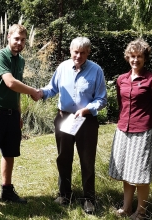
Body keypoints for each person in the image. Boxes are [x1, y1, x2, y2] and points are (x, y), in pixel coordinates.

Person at [34, 37, 107, 214]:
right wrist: (40, 93)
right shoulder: (62, 68)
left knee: (87, 160)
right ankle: (64, 194)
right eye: (76, 52)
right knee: (64, 157)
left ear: (88, 52)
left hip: (86, 121)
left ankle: (89, 198)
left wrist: (87, 110)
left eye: (83, 53)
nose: (79, 56)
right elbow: (52, 88)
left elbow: (102, 99)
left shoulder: (96, 70)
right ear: (70, 51)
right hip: (64, 118)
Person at [0, 24, 40, 208]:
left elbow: (15, 92)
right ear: (8, 37)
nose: (19, 43)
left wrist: (18, 113)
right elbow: (10, 83)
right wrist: (33, 91)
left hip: (11, 115)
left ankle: (7, 189)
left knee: (9, 152)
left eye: (23, 40)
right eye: (16, 39)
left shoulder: (21, 61)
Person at [108, 39, 152, 220]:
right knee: (126, 170)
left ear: (144, 58)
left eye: (139, 56)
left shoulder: (151, 80)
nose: (135, 60)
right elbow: (121, 104)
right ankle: (126, 207)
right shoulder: (121, 80)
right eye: (132, 56)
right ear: (127, 57)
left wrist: (147, 123)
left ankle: (141, 212)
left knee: (140, 173)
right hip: (123, 129)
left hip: (143, 132)